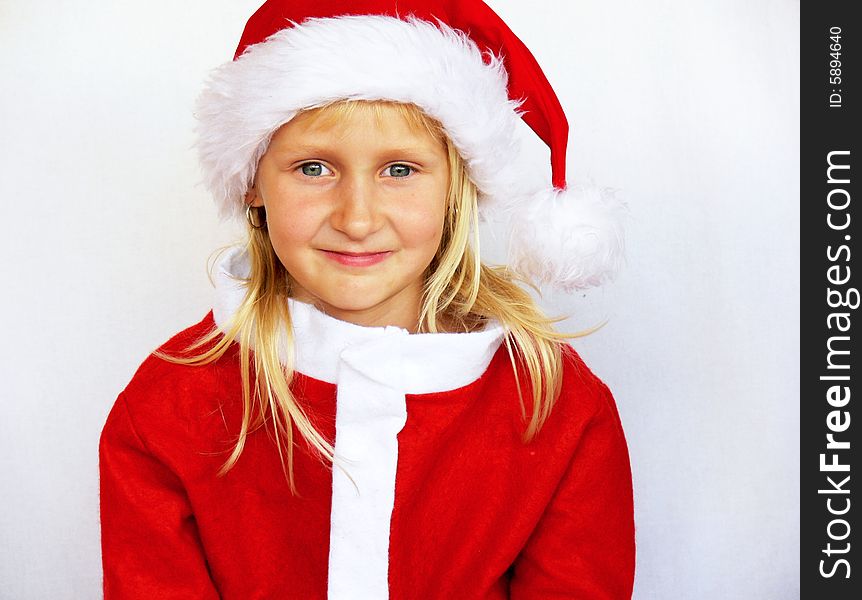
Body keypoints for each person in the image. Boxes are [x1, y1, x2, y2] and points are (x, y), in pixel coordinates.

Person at [99, 1, 635, 598]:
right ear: (253, 181)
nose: (357, 219)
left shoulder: (557, 406)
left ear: (458, 185)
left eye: (400, 170)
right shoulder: (167, 404)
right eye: (313, 168)